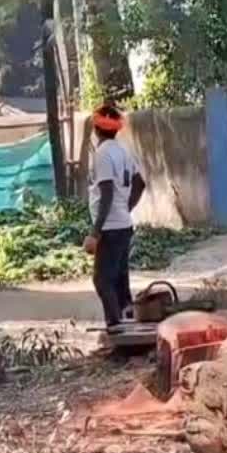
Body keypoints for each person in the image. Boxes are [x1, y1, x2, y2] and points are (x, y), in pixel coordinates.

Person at [83, 104, 146, 331]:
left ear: (96, 128)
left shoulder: (102, 154)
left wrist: (94, 232)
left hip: (110, 227)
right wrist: (126, 208)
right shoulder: (123, 150)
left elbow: (107, 194)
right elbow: (140, 183)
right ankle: (128, 321)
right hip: (123, 224)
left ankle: (116, 327)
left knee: (102, 281)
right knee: (120, 279)